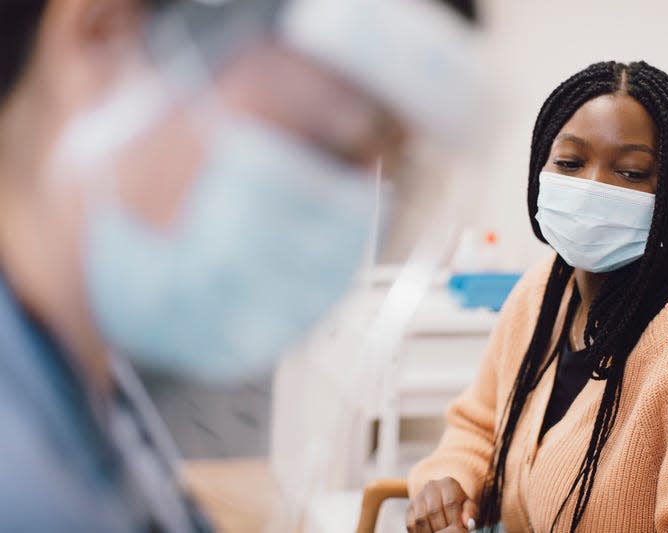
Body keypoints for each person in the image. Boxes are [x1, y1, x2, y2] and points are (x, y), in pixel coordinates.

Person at [0, 0, 483, 530]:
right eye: (330, 141)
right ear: (104, 32)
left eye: (389, 166)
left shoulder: (81, 379)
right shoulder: (25, 490)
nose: (348, 210)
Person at [406, 61, 668, 533]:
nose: (593, 188)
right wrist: (449, 482)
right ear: (539, 169)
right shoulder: (545, 291)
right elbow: (478, 427)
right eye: (570, 163)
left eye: (632, 173)